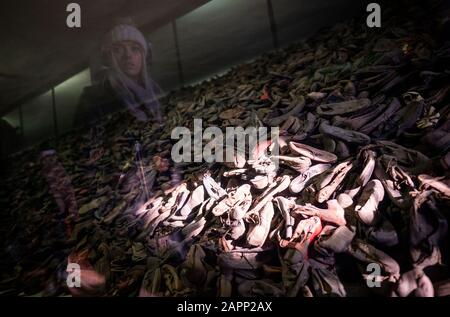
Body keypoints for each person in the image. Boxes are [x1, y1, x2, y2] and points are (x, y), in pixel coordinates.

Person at [75, 22, 163, 126]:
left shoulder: (156, 91)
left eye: (135, 49)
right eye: (118, 49)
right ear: (108, 58)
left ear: (143, 56)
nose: (128, 55)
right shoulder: (92, 99)